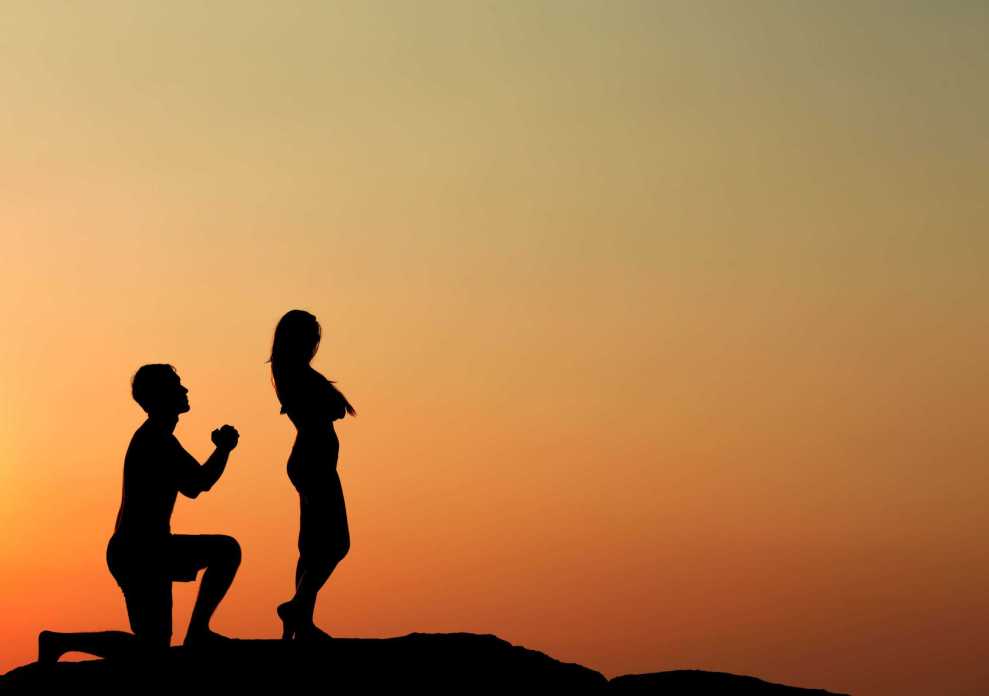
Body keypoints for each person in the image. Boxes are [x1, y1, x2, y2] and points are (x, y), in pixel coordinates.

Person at [38, 364, 241, 663]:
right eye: (177, 385)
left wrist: (222, 451)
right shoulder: (155, 440)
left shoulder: (157, 437)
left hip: (142, 550)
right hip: (142, 551)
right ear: (160, 397)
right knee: (226, 550)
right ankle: (198, 632)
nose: (185, 390)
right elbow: (199, 484)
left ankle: (58, 642)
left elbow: (193, 485)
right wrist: (223, 449)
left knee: (152, 647)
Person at [270, 310, 355, 641]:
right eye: (311, 337)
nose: (315, 344)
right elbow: (335, 409)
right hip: (314, 462)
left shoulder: (295, 374)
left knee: (312, 546)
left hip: (311, 461)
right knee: (336, 543)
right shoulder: (298, 376)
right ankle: (298, 607)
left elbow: (335, 408)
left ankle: (300, 620)